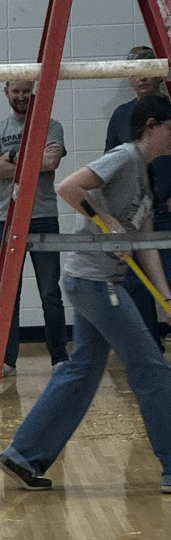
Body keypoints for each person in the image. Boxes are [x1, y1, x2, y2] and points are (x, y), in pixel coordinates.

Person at [0, 94, 171, 494]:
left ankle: (24, 455)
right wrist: (108, 223)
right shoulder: (125, 156)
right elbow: (69, 186)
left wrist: (166, 298)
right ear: (151, 125)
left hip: (100, 281)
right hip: (94, 281)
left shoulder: (145, 174)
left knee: (83, 370)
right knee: (150, 367)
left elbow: (144, 243)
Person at [0, 80, 69, 377]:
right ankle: (7, 361)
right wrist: (31, 161)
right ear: (6, 92)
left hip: (44, 217)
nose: (21, 96)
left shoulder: (52, 126)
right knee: (9, 294)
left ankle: (59, 356)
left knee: (50, 292)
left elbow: (50, 162)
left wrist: (11, 158)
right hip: (6, 219)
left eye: (25, 90)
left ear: (35, 91)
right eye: (15, 91)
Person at [104, 46, 171, 350]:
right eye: (135, 71)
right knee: (137, 285)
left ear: (159, 72)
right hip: (133, 215)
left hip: (166, 212)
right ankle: (150, 350)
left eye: (148, 69)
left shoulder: (169, 114)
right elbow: (107, 168)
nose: (142, 77)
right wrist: (113, 216)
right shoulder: (121, 116)